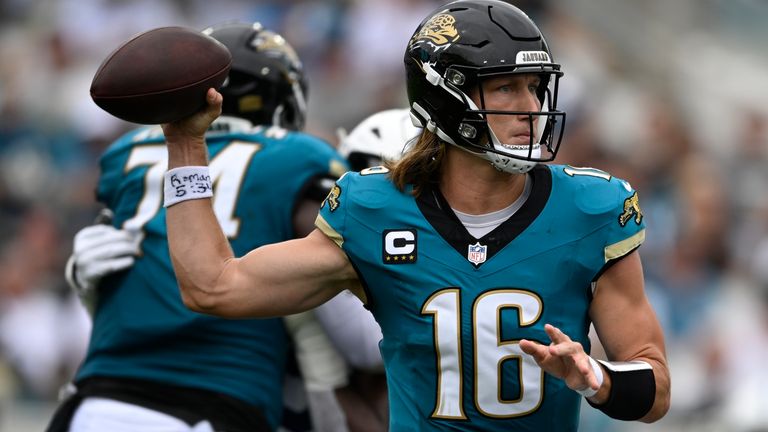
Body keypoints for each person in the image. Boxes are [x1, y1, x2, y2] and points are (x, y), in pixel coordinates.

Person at [161, 1, 671, 430]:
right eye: (506, 88)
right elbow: (213, 287)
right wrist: (185, 147)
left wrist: (597, 378)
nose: (530, 107)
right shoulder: (373, 210)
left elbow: (656, 389)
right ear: (445, 96)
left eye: (535, 87)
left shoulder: (590, 209)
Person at [47, 22, 380, 432]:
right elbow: (364, 346)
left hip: (95, 399)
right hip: (215, 399)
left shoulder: (126, 154)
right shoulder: (300, 156)